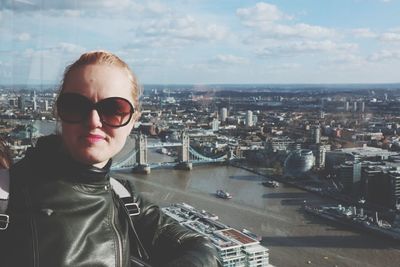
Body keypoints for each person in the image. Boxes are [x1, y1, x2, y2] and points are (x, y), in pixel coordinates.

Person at [2, 51, 220, 267]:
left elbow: (200, 248)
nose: (93, 121)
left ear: (133, 120)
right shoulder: (6, 196)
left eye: (114, 109)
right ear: (59, 112)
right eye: (76, 105)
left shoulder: (123, 197)